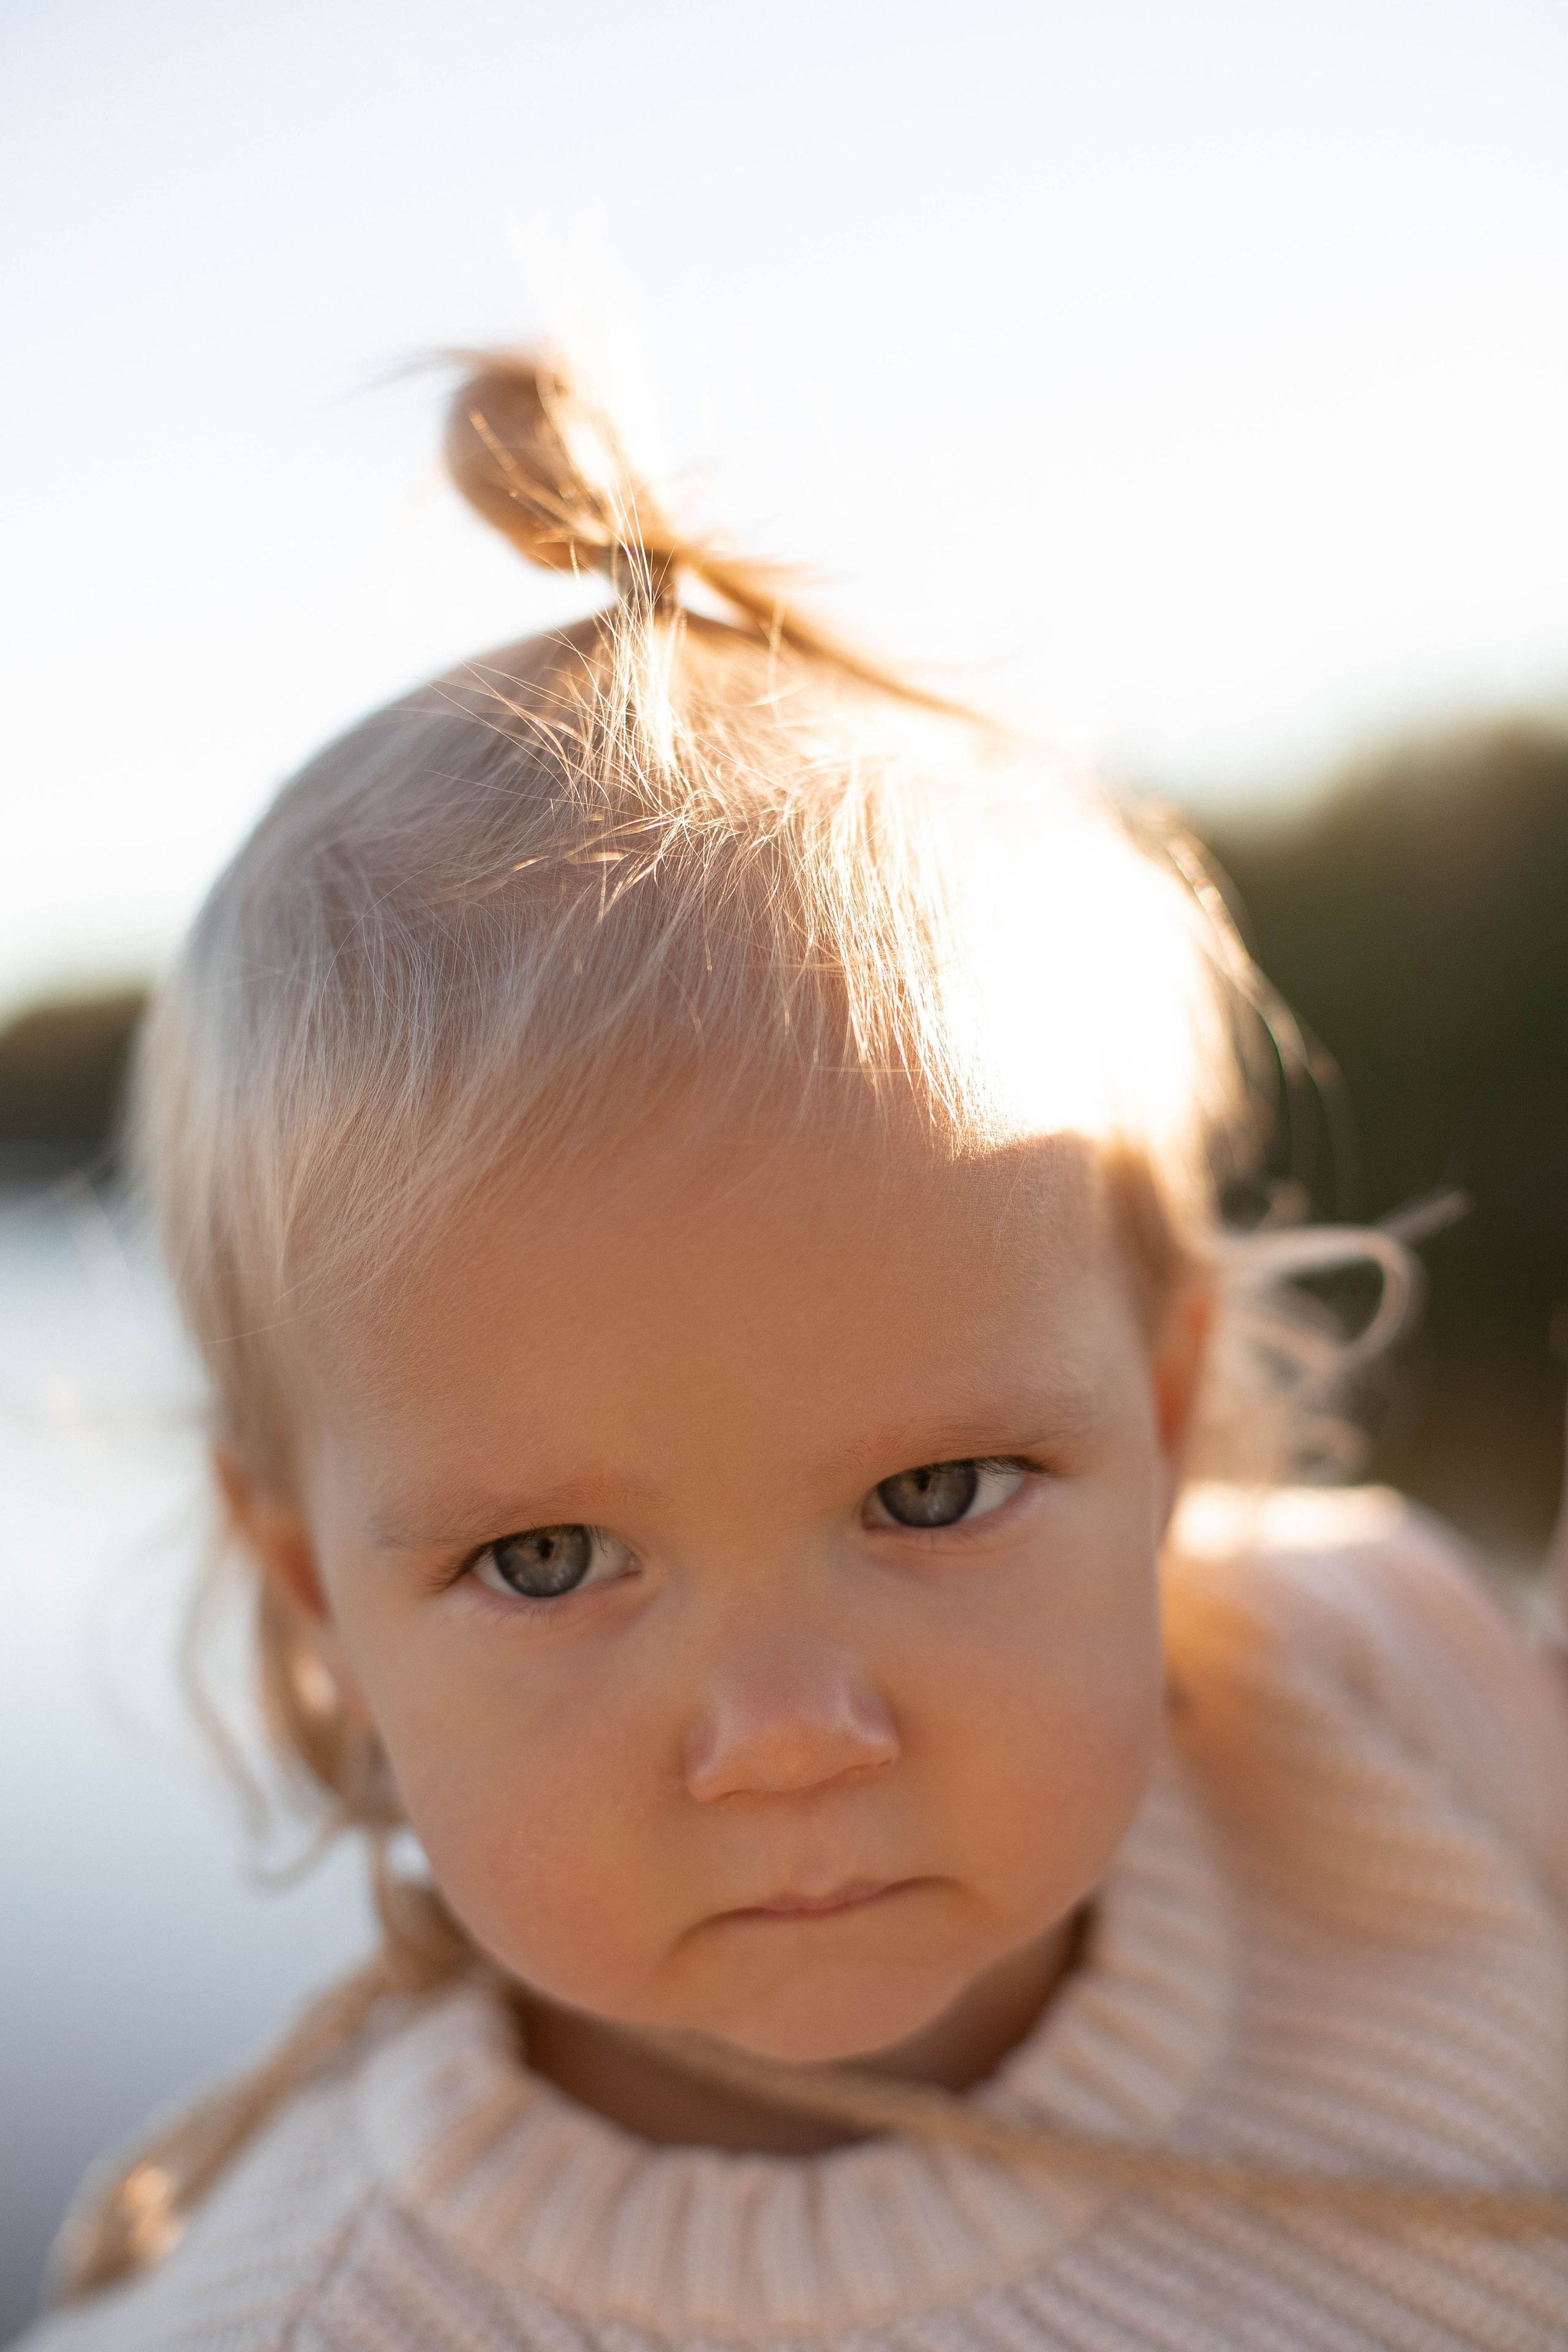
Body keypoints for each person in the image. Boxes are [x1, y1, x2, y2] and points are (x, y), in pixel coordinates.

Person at [17, 353, 1568, 2352]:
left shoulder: (1389, 1702)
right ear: (317, 1592)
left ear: (1165, 1418)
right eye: (548, 1559)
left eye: (932, 1495)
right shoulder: (321, 2318)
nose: (788, 1734)